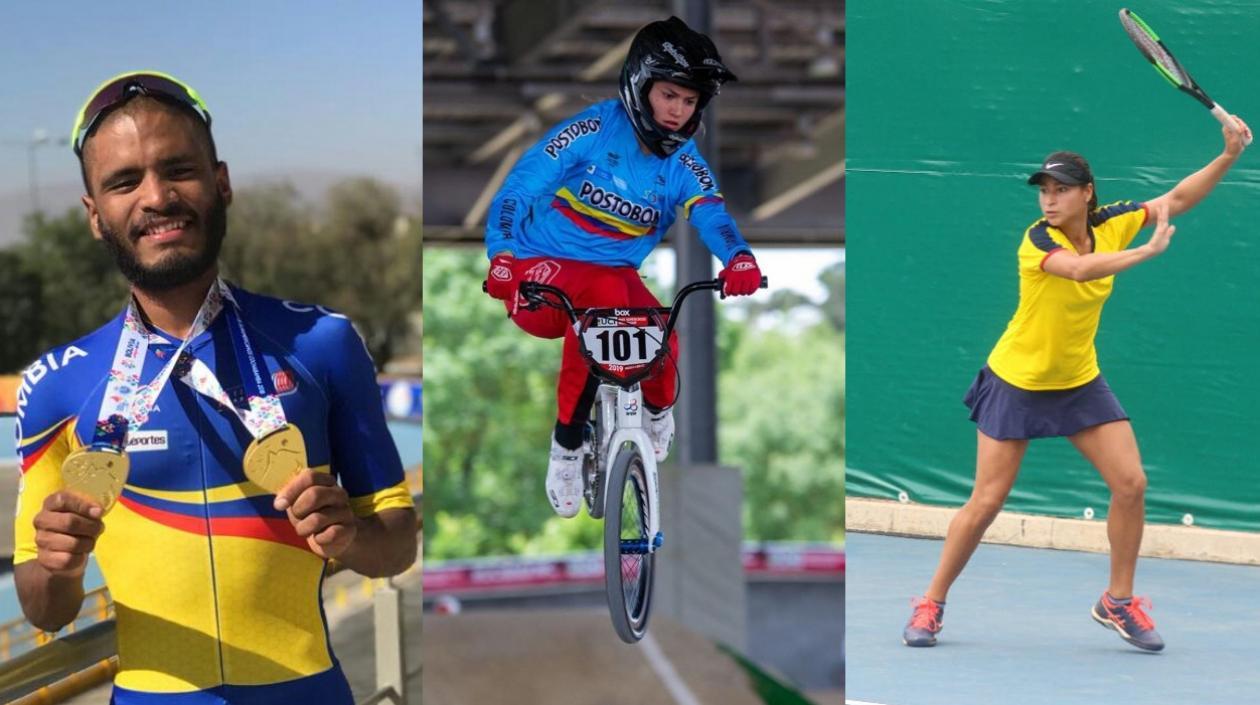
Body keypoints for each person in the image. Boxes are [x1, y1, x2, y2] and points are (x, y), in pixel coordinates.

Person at [13, 71, 418, 704]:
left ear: (221, 183)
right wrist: (60, 567)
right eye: (124, 181)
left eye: (179, 169)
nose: (157, 197)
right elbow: (42, 608)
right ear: (95, 216)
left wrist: (353, 537)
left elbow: (396, 545)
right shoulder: (57, 387)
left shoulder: (323, 344)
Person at [902, 117, 1252, 652]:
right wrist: (1144, 253)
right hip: (1017, 380)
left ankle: (1117, 600)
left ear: (1087, 194)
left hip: (1078, 380)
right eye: (1044, 190)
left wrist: (1228, 154)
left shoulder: (1113, 221)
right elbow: (1080, 270)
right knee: (987, 502)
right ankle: (931, 602)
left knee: (1131, 484)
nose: (1049, 200)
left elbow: (1177, 198)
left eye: (1060, 190)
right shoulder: (1036, 240)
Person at [482, 16, 763, 517]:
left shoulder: (686, 163)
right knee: (607, 295)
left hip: (613, 279)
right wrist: (502, 256)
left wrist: (738, 257)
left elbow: (712, 215)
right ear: (640, 85)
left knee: (661, 325)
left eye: (690, 101)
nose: (679, 111)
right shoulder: (592, 128)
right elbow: (516, 190)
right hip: (537, 274)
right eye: (669, 96)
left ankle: (656, 410)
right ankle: (567, 445)